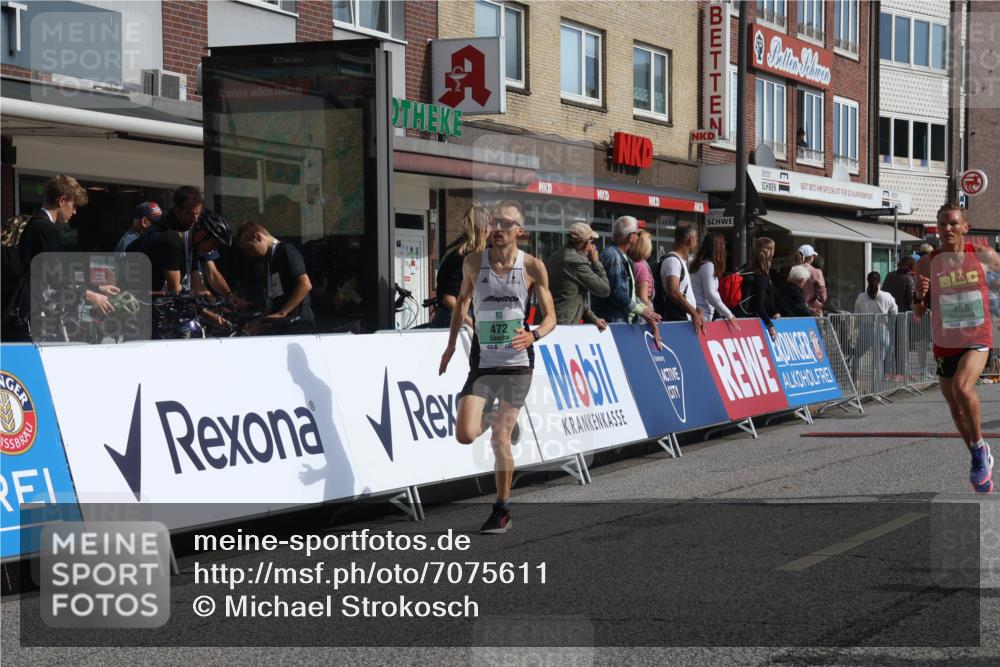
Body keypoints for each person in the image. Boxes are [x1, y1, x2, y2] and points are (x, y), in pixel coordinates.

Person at [439, 200, 557, 534]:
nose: (498, 228)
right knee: (464, 434)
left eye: (506, 223)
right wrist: (450, 346)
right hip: (483, 362)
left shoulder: (533, 267)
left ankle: (501, 509)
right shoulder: (474, 262)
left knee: (499, 440)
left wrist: (534, 335)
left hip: (518, 365)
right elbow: (461, 302)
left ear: (520, 231)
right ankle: (490, 418)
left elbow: (552, 318)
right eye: (494, 222)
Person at [914, 203, 1000, 493]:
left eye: (952, 223)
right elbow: (917, 309)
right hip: (945, 341)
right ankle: (979, 449)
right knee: (955, 406)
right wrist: (919, 297)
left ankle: (977, 456)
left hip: (978, 336)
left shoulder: (983, 255)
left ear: (965, 227)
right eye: (942, 224)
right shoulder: (927, 263)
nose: (946, 229)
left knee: (964, 388)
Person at [1, 174, 118, 341]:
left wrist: (97, 288)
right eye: (74, 205)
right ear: (62, 200)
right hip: (25, 315)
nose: (75, 212)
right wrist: (92, 296)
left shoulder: (31, 222)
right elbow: (56, 278)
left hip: (12, 310)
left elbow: (53, 273)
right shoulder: (45, 228)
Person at [236, 221, 315, 334]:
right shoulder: (270, 260)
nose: (250, 254)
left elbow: (305, 284)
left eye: (250, 248)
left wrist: (282, 313)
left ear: (257, 237)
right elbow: (275, 297)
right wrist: (261, 321)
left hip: (298, 324)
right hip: (283, 325)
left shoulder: (286, 250)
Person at [592, 216, 662, 328]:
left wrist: (644, 309)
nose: (639, 237)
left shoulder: (623, 257)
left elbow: (630, 294)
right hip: (614, 322)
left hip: (621, 320)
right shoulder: (612, 256)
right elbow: (617, 292)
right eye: (637, 234)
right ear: (630, 237)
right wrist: (642, 310)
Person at [430, 205, 491, 328]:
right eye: (491, 225)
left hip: (449, 317)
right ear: (484, 228)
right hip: (454, 319)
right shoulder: (466, 256)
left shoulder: (456, 249)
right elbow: (449, 299)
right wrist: (473, 324)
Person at [545, 222, 610, 329]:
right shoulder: (575, 261)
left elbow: (575, 297)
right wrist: (596, 262)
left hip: (555, 320)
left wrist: (594, 319)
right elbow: (604, 289)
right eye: (591, 241)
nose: (592, 245)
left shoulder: (559, 254)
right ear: (585, 243)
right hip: (562, 325)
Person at [657, 224, 706, 334]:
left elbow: (683, 293)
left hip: (684, 320)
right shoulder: (673, 261)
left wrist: (696, 309)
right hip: (678, 322)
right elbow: (673, 292)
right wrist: (693, 312)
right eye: (696, 239)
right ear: (690, 239)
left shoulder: (679, 261)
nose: (697, 243)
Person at [690, 230, 738, 326]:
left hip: (699, 313)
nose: (724, 247)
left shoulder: (699, 264)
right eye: (723, 244)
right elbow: (711, 294)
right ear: (717, 246)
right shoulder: (708, 266)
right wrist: (729, 314)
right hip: (703, 315)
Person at [743, 237, 779, 340]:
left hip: (745, 319)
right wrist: (770, 325)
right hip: (752, 323)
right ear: (770, 252)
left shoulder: (748, 268)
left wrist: (774, 311)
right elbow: (759, 306)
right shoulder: (761, 275)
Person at [796, 244, 827, 316]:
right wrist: (818, 304)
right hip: (812, 310)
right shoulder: (816, 272)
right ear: (811, 257)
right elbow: (823, 296)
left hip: (796, 309)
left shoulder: (793, 270)